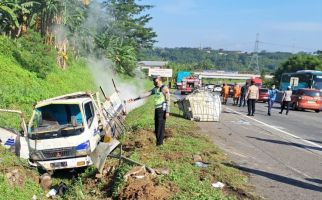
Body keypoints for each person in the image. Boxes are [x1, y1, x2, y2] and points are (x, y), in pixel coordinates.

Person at [128, 76, 170, 146]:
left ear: (160, 81)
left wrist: (167, 112)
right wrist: (134, 99)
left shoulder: (164, 88)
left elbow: (168, 100)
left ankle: (160, 143)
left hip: (162, 110)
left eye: (156, 82)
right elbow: (145, 94)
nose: (154, 83)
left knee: (160, 126)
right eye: (154, 82)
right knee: (157, 126)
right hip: (157, 109)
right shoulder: (155, 89)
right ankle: (158, 141)